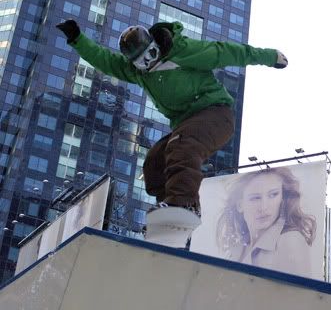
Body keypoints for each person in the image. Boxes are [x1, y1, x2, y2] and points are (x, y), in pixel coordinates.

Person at [56, 20, 288, 217]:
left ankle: (183, 203)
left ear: (156, 45)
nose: (149, 63)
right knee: (155, 161)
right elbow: (105, 60)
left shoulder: (182, 51)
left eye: (151, 55)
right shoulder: (138, 73)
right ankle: (171, 207)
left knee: (182, 145)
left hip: (216, 114)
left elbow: (228, 52)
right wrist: (78, 38)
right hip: (187, 125)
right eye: (142, 62)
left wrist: (270, 57)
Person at [215, 167, 316, 276]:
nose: (264, 207)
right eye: (255, 198)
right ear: (240, 205)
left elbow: (299, 292)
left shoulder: (290, 240)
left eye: (273, 195)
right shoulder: (237, 248)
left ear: (282, 198)